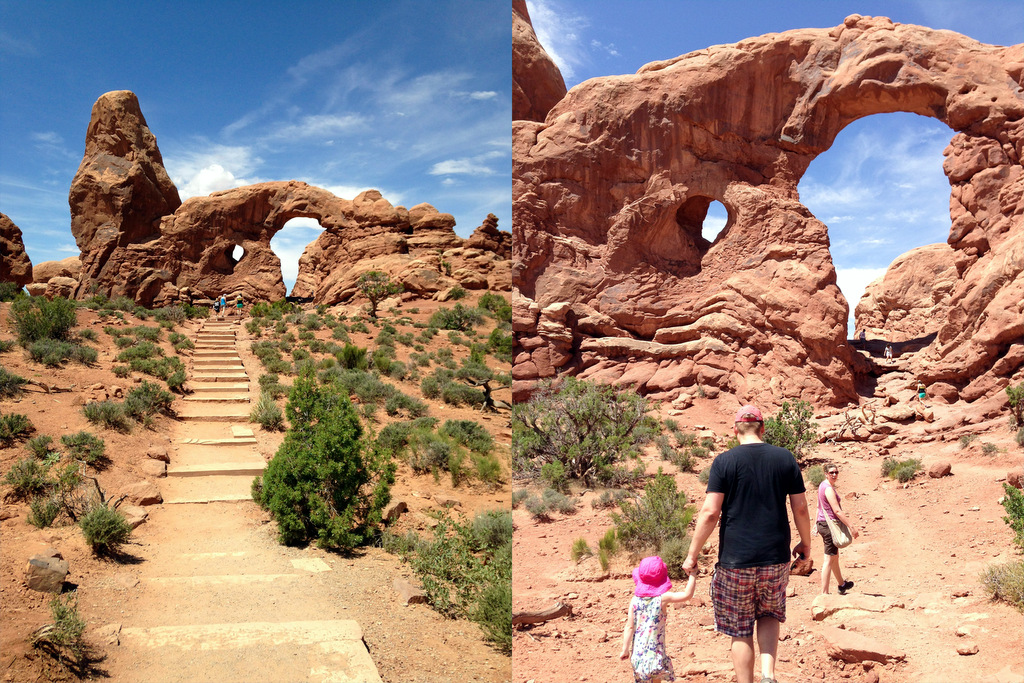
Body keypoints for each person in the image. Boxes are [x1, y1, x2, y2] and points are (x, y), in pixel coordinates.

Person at [683, 405, 811, 683]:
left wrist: (692, 555)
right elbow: (800, 508)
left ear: (735, 431)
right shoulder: (785, 458)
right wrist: (806, 544)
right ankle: (768, 674)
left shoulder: (724, 461)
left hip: (735, 560)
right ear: (763, 428)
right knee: (768, 614)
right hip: (776, 556)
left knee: (740, 628)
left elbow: (710, 512)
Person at [619, 556, 697, 683]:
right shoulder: (662, 599)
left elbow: (629, 627)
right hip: (656, 655)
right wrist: (693, 574)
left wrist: (625, 649)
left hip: (638, 657)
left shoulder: (634, 600)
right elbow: (687, 595)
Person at [815, 462, 859, 594]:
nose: (834, 475)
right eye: (831, 473)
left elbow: (818, 506)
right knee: (828, 559)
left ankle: (841, 584)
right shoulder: (828, 488)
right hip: (829, 526)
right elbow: (837, 511)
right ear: (826, 474)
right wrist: (851, 526)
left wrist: (816, 523)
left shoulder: (823, 485)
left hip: (823, 524)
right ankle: (824, 593)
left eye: (836, 472)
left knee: (834, 556)